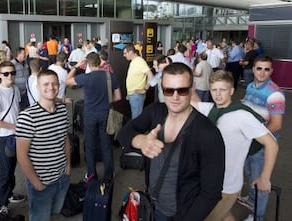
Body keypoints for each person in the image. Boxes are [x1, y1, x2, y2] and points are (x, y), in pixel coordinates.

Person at [117, 63, 225, 221]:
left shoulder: (208, 134)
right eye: (169, 90)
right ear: (162, 89)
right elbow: (125, 132)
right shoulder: (155, 111)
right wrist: (141, 141)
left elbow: (211, 193)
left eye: (182, 90)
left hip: (180, 213)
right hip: (151, 206)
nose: (175, 97)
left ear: (192, 88)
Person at [190, 70, 278, 221]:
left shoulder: (242, 116)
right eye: (214, 90)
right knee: (224, 216)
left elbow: (272, 144)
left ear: (231, 91)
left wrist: (265, 177)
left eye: (222, 90)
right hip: (209, 182)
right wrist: (187, 86)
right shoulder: (211, 109)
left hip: (226, 186)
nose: (218, 94)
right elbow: (190, 101)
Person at [16, 69, 71, 221]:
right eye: (46, 84)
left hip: (62, 177)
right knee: (40, 217)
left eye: (54, 84)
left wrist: (67, 166)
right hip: (42, 182)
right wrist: (36, 183)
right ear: (38, 87)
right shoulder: (27, 117)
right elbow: (21, 155)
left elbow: (65, 139)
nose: (51, 87)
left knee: (54, 212)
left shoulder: (62, 110)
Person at [238, 55, 285, 221]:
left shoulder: (275, 94)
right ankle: (251, 200)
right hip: (250, 142)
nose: (262, 72)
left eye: (266, 69)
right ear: (253, 69)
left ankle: (257, 216)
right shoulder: (251, 86)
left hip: (262, 145)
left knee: (260, 182)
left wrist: (255, 138)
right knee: (251, 175)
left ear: (271, 71)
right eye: (259, 68)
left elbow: (276, 125)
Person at [66, 52, 121, 181]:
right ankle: (109, 175)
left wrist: (76, 67)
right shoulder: (110, 76)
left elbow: (67, 81)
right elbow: (118, 96)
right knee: (106, 145)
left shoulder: (86, 78)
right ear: (100, 62)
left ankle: (91, 174)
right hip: (105, 114)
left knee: (89, 146)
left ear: (88, 64)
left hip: (90, 115)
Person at [0, 61, 25, 214]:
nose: (10, 76)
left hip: (17, 136)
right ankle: (2, 204)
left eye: (12, 73)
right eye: (6, 73)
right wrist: (14, 127)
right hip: (5, 137)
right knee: (4, 172)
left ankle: (9, 194)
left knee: (11, 169)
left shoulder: (15, 89)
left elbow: (16, 110)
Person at [123, 45, 154, 119]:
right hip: (133, 94)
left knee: (136, 118)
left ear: (130, 52)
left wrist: (145, 88)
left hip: (136, 95)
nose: (124, 55)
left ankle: (137, 131)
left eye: (125, 53)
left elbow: (150, 75)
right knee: (135, 117)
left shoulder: (139, 61)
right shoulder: (134, 61)